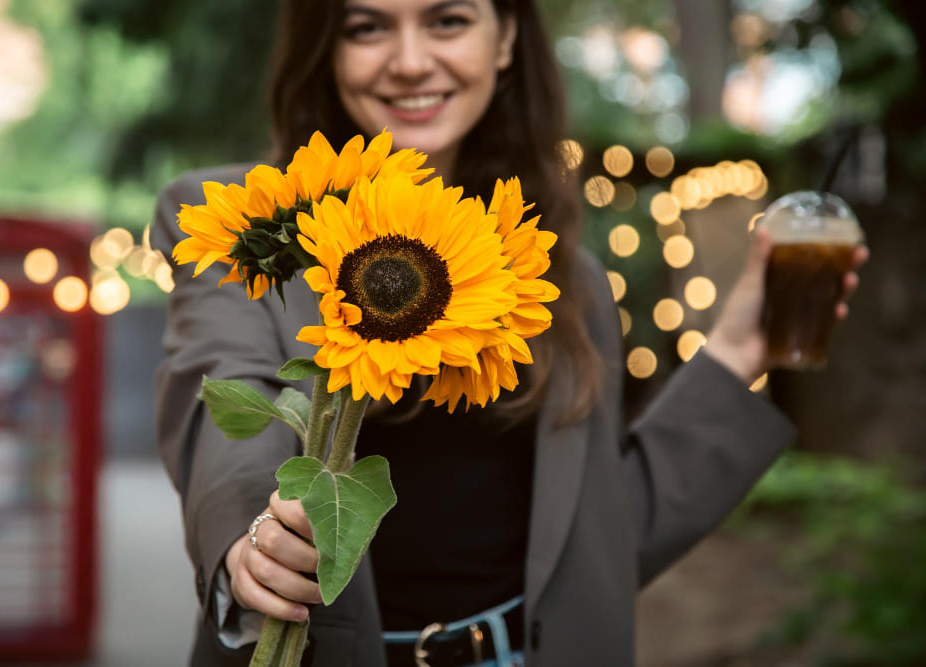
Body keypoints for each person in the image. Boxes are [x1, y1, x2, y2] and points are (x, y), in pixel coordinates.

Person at [151, 1, 868, 665]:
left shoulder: (559, 277)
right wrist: (252, 543)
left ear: (506, 40)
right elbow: (227, 403)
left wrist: (739, 350)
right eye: (367, 28)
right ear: (326, 50)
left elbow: (596, 547)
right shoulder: (254, 227)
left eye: (448, 20)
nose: (408, 60)